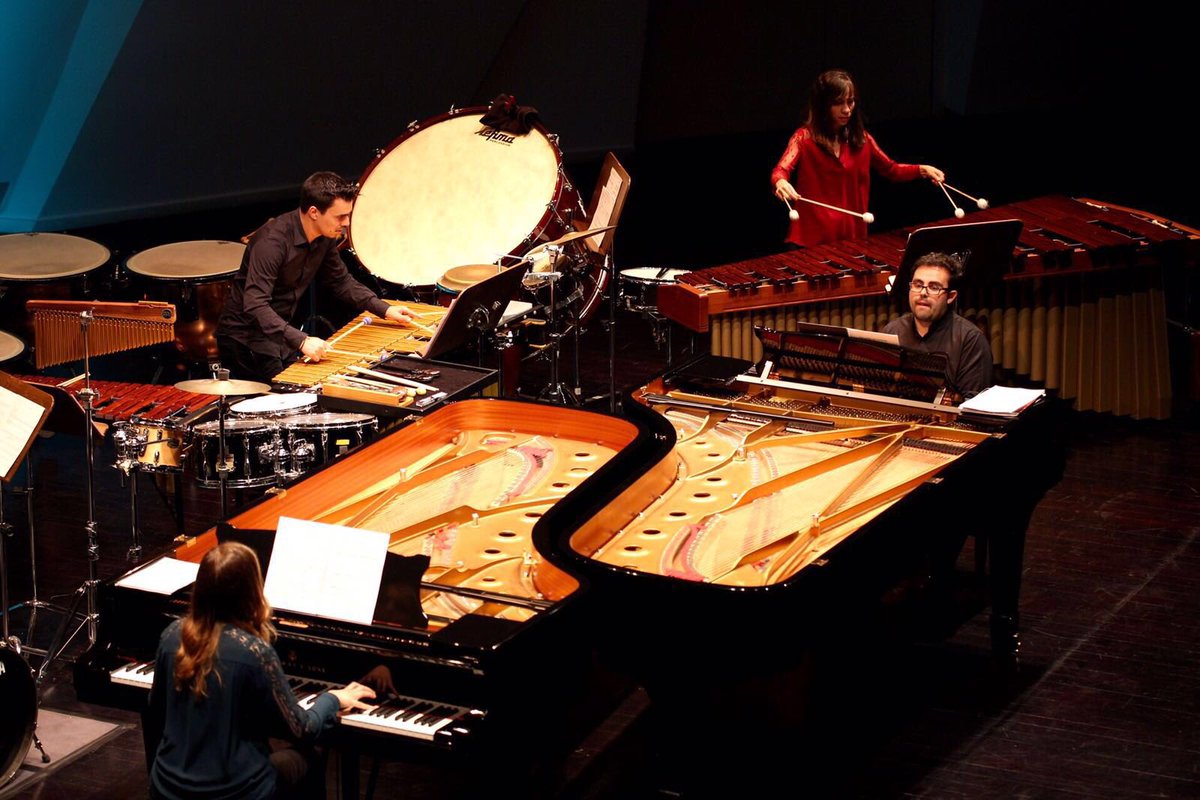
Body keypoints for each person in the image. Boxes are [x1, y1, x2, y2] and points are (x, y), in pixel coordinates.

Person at [144, 542, 376, 800]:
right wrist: (332, 699)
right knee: (309, 756)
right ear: (252, 590)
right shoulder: (254, 652)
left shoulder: (171, 636)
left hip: (167, 787)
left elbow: (157, 709)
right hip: (233, 793)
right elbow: (302, 729)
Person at [216, 171, 415, 383]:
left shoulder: (325, 237)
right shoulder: (271, 243)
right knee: (290, 401)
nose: (347, 223)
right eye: (340, 216)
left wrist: (384, 309)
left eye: (348, 214)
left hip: (279, 335)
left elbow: (341, 281)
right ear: (313, 212)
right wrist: (301, 341)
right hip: (245, 341)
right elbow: (255, 304)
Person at [771, 69, 945, 247]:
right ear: (823, 105)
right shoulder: (804, 138)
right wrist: (780, 182)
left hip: (852, 238)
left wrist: (922, 169)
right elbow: (780, 170)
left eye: (850, 102)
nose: (846, 110)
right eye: (838, 103)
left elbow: (891, 170)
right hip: (812, 241)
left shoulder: (862, 140)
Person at [882, 251, 993, 399]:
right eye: (918, 285)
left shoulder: (970, 341)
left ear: (950, 297)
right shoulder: (892, 331)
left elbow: (972, 407)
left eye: (934, 287)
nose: (923, 293)